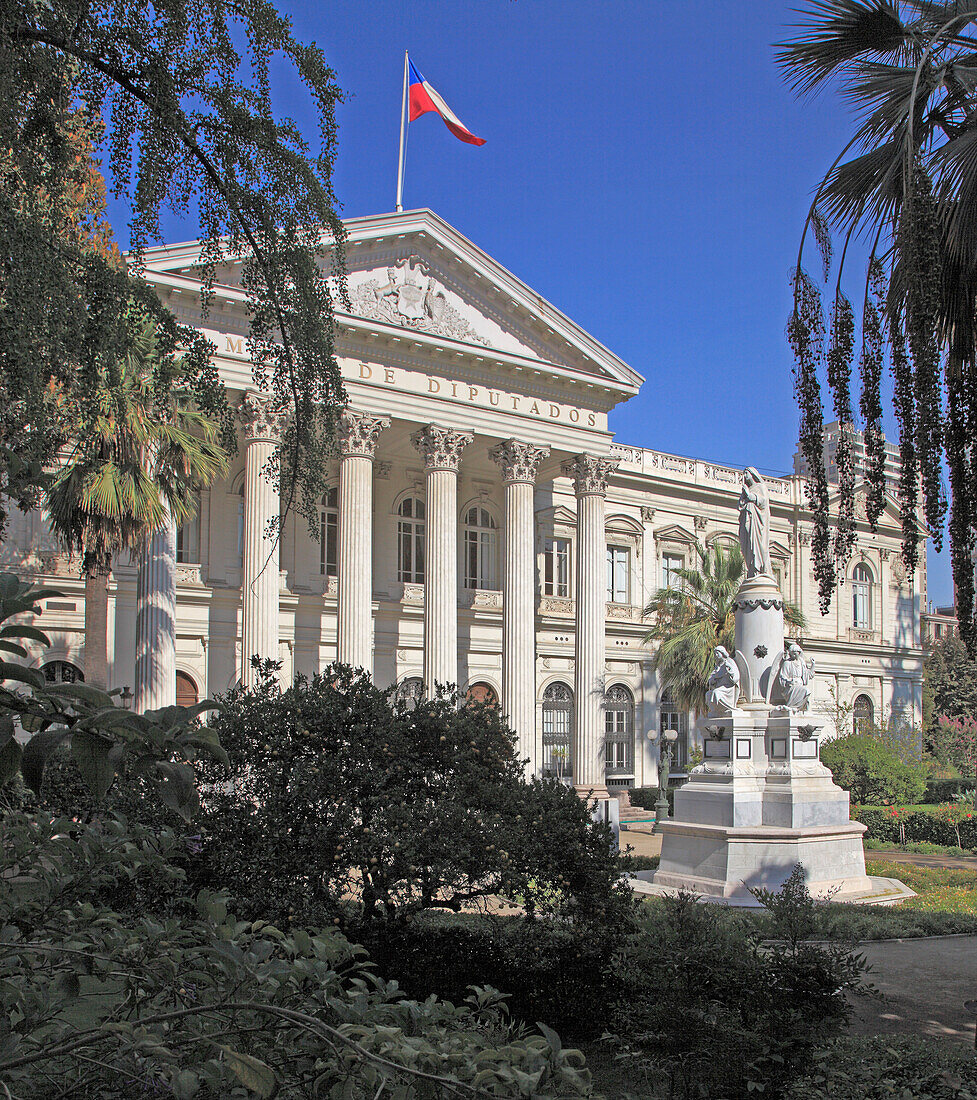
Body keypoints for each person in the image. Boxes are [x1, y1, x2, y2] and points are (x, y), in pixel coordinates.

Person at [738, 467, 771, 578]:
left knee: (756, 542)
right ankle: (752, 569)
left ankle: (759, 568)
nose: (745, 476)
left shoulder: (760, 487)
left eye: (746, 473)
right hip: (747, 519)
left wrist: (750, 496)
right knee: (747, 543)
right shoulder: (746, 488)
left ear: (752, 474)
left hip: (757, 521)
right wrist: (744, 496)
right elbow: (741, 505)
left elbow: (763, 502)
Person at [778, 642, 814, 712]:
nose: (794, 655)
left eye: (796, 653)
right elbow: (782, 676)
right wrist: (789, 681)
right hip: (791, 685)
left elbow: (808, 675)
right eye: (792, 653)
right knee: (806, 691)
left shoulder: (802, 663)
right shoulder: (787, 663)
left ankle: (798, 708)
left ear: (799, 653)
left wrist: (813, 665)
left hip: (799, 684)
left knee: (806, 692)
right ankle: (795, 707)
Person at [706, 645, 740, 714]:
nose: (716, 655)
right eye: (715, 653)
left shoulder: (729, 662)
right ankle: (717, 711)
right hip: (720, 687)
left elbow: (735, 678)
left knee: (716, 693)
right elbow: (712, 676)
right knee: (708, 694)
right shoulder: (718, 666)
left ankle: (727, 708)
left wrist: (730, 671)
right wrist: (712, 680)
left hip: (727, 688)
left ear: (722, 653)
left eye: (717, 653)